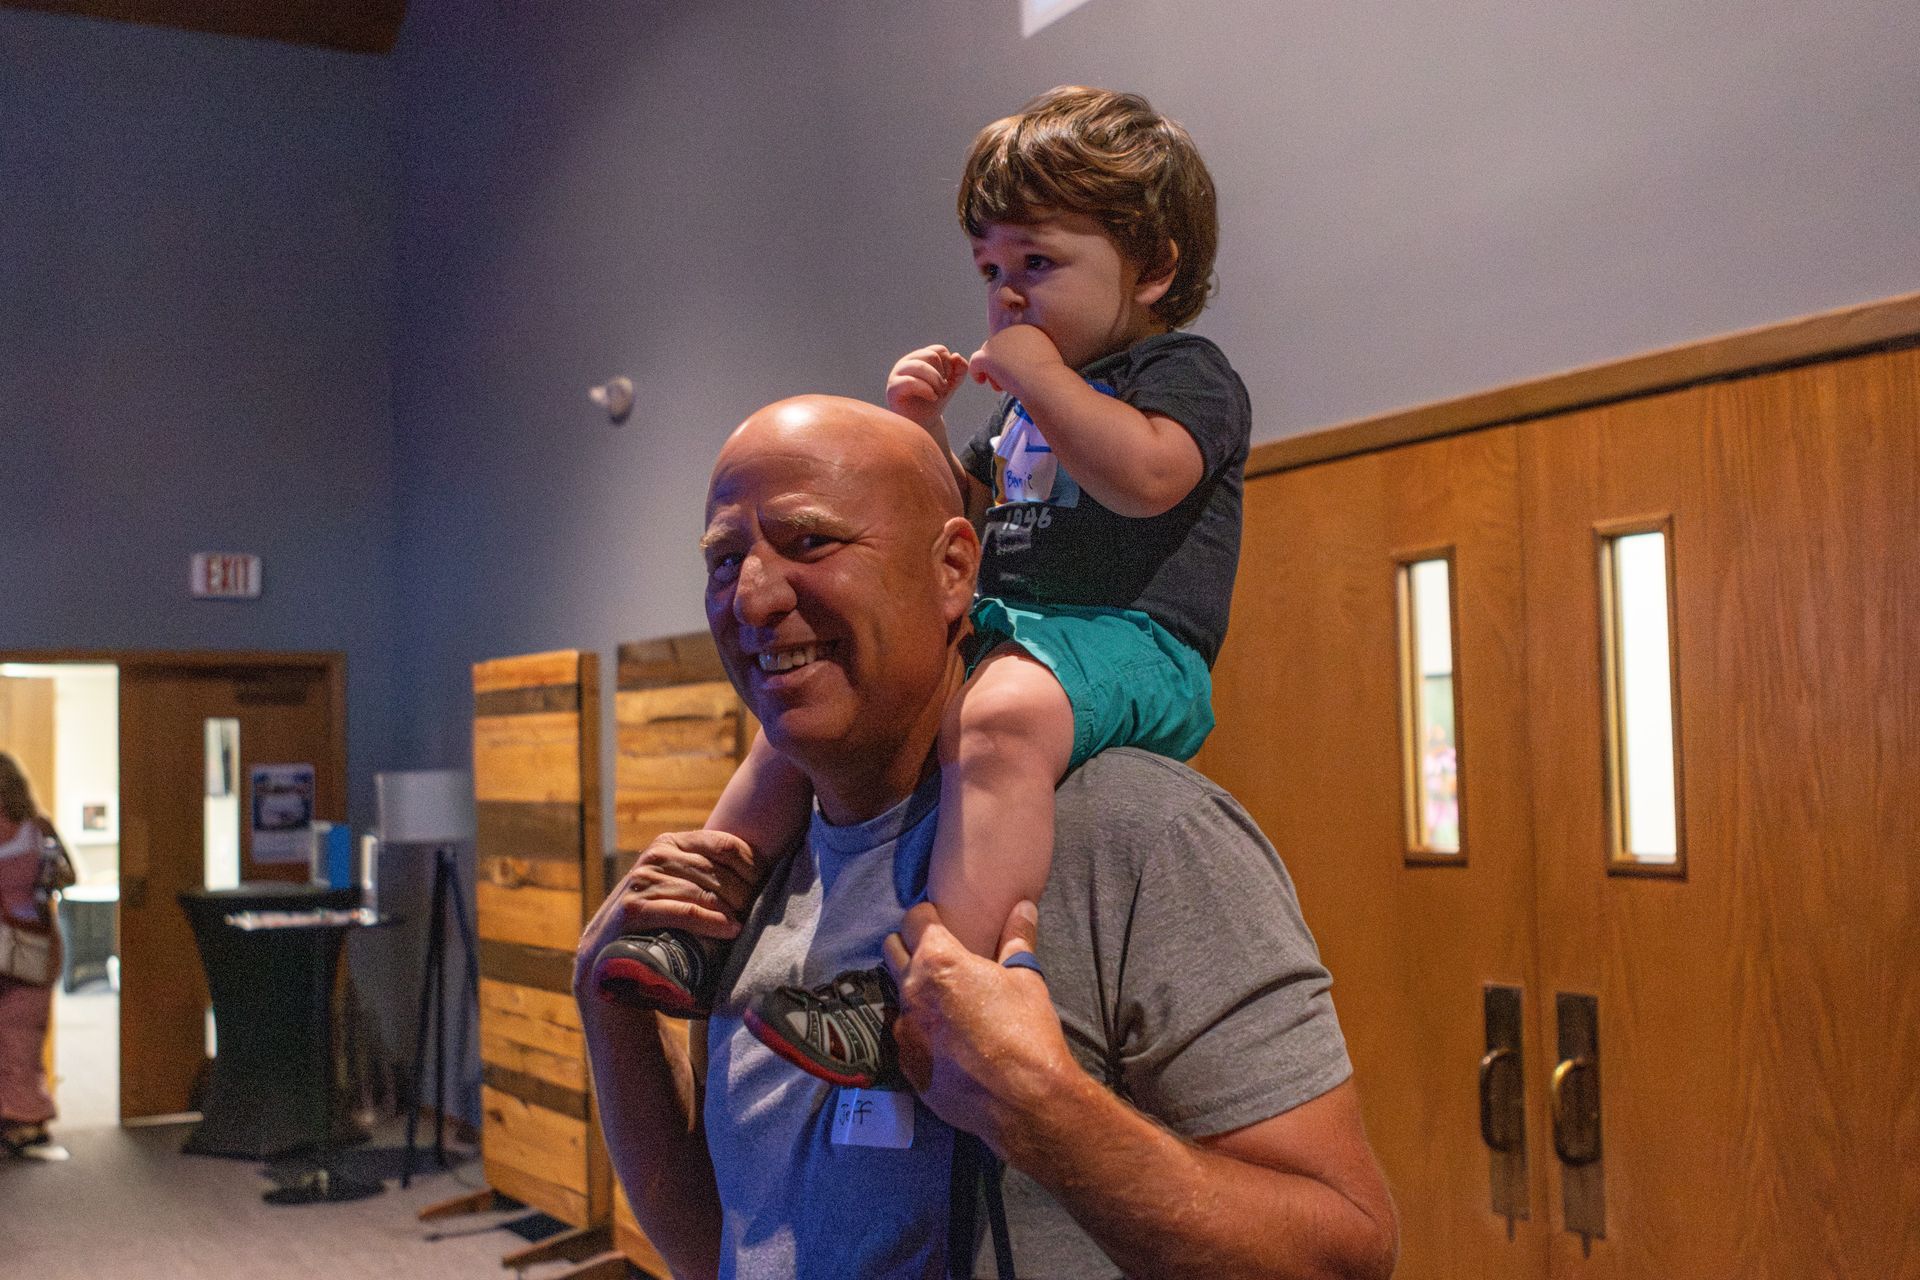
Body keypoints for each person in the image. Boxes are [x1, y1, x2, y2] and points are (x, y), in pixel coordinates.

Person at [575, 396, 1396, 1278]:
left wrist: (1046, 1116)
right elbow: (733, 1244)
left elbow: (1346, 1254)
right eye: (726, 559)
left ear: (955, 570)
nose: (753, 596)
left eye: (811, 544)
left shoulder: (1141, 835)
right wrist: (607, 1015)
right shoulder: (756, 870)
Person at [595, 86, 1253, 1090]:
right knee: (808, 726)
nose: (1009, 296)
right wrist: (923, 430)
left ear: (1154, 268)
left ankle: (934, 985)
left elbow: (1147, 476)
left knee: (999, 722)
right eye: (991, 269)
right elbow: (953, 522)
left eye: (1039, 263)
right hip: (1022, 627)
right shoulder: (1033, 409)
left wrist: (1037, 379)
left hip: (1134, 640)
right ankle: (703, 906)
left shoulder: (1182, 375)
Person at [0, 752, 71, 1162]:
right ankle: (26, 1121)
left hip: (19, 943)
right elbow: (67, 875)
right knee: (24, 1037)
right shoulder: (39, 829)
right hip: (34, 944)